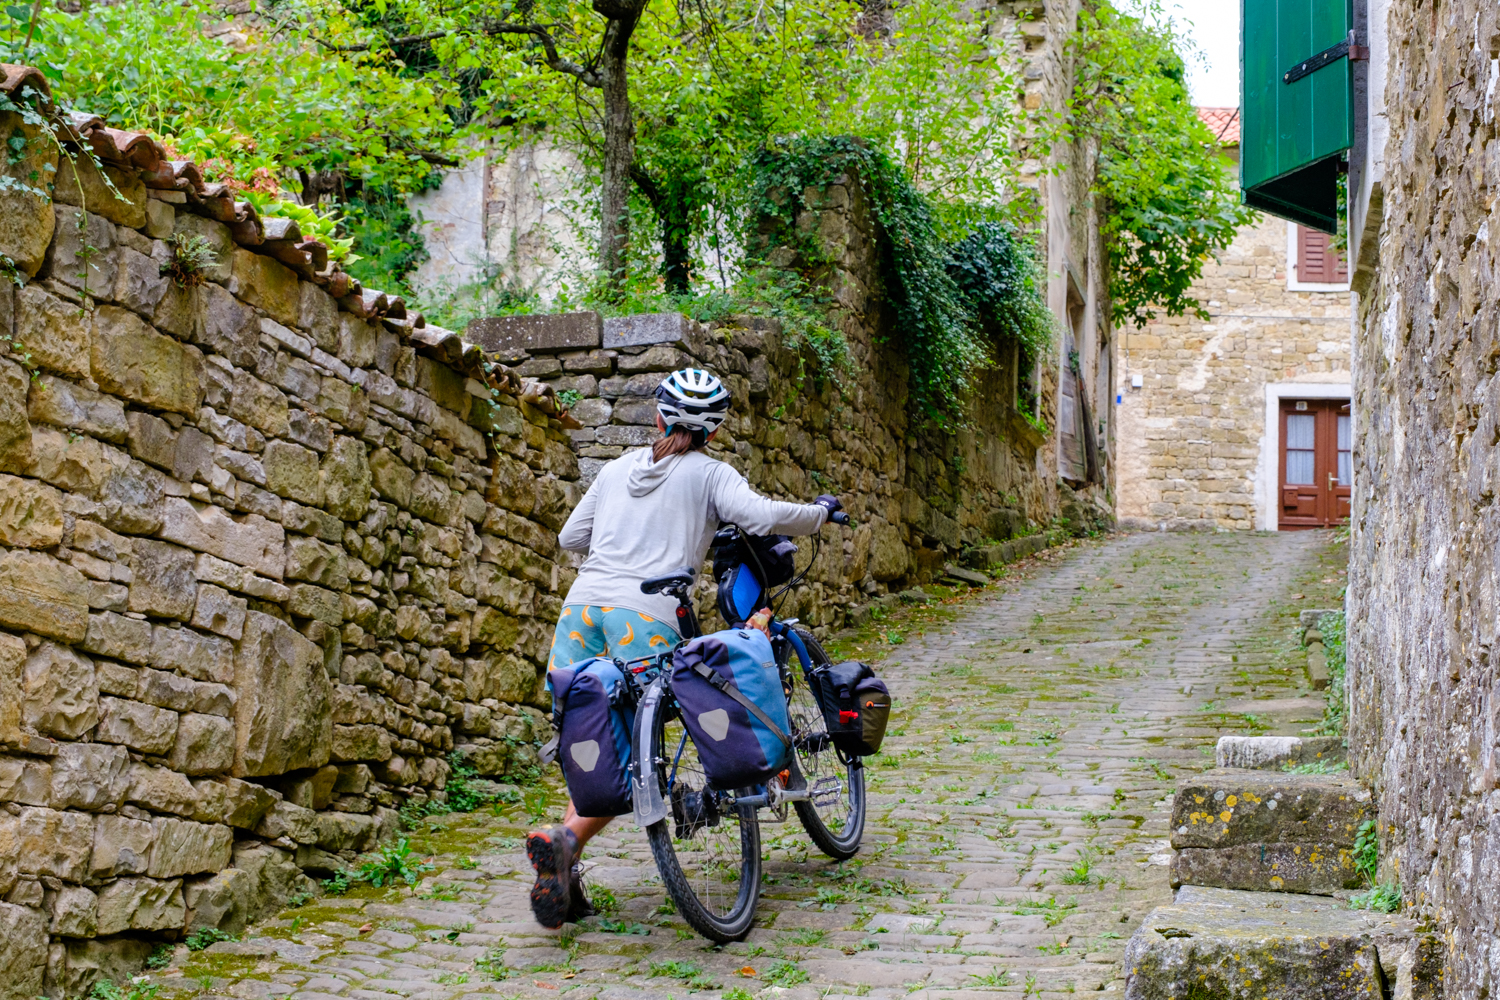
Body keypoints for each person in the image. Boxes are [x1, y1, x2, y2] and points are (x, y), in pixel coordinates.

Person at [526, 367, 843, 928]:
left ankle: (565, 861)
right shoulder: (711, 473)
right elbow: (764, 517)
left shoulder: (617, 468)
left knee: (595, 730)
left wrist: (620, 547)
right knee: (641, 743)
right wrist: (818, 514)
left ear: (658, 415)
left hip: (580, 610)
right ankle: (569, 838)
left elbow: (570, 538)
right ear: (713, 432)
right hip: (642, 614)